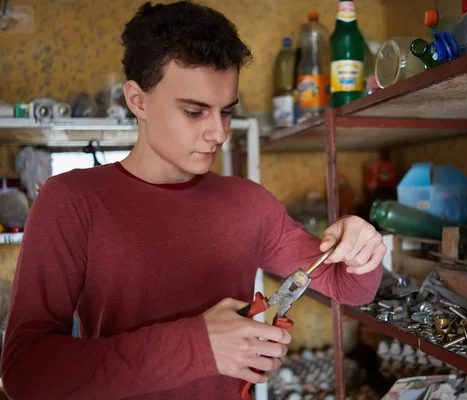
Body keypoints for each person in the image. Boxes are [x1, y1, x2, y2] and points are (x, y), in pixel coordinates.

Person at [1, 2, 385, 399]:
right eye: (194, 111)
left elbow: (350, 288)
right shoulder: (71, 202)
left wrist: (361, 248)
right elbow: (26, 373)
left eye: (226, 112)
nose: (218, 133)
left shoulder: (250, 204)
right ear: (137, 100)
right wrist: (199, 347)